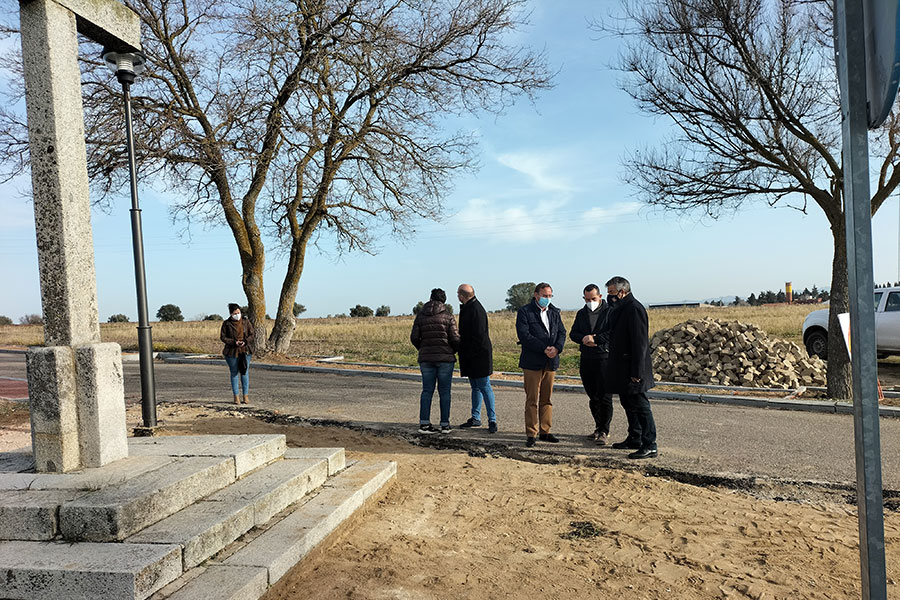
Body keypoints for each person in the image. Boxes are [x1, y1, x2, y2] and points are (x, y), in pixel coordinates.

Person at [605, 276, 658, 459]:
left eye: (612, 293)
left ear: (623, 291)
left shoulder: (634, 309)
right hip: (621, 368)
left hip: (633, 369)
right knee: (628, 404)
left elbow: (640, 343)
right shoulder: (620, 308)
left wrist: (637, 372)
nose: (609, 296)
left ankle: (650, 443)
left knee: (641, 406)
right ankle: (634, 437)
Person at [515, 282, 566, 448]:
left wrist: (557, 348)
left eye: (550, 296)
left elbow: (561, 332)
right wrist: (543, 348)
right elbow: (524, 335)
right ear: (536, 295)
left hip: (550, 361)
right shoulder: (525, 312)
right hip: (532, 362)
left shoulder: (554, 312)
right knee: (532, 399)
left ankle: (545, 430)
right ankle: (532, 433)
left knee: (547, 398)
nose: (547, 299)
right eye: (545, 296)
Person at [410, 288, 460, 434]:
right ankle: (445, 424)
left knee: (427, 391)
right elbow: (455, 338)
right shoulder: (448, 316)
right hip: (445, 359)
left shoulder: (420, 316)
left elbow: (414, 337)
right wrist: (452, 350)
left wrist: (423, 348)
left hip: (426, 358)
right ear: (444, 300)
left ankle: (424, 424)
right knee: (445, 392)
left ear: (430, 298)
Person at [569, 283, 613, 445]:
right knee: (593, 396)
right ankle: (597, 426)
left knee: (605, 397)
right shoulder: (581, 314)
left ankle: (604, 430)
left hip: (604, 358)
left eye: (593, 298)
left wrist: (596, 339)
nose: (590, 302)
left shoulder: (610, 312)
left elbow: (612, 332)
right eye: (587, 299)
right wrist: (583, 338)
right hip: (587, 358)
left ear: (600, 297)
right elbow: (573, 333)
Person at [456, 284, 498, 434]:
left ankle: (492, 420)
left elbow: (479, 336)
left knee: (484, 386)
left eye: (458, 294)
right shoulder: (468, 308)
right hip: (470, 355)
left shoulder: (476, 310)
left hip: (479, 356)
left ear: (462, 295)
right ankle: (475, 417)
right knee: (475, 387)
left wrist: (469, 352)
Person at [220, 303, 255, 404]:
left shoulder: (246, 321)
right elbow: (223, 337)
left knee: (244, 372)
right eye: (235, 313)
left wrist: (245, 341)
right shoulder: (226, 323)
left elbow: (252, 334)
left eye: (239, 312)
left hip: (245, 350)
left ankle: (246, 396)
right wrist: (234, 342)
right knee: (234, 373)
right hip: (231, 352)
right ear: (231, 314)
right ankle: (236, 397)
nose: (237, 315)